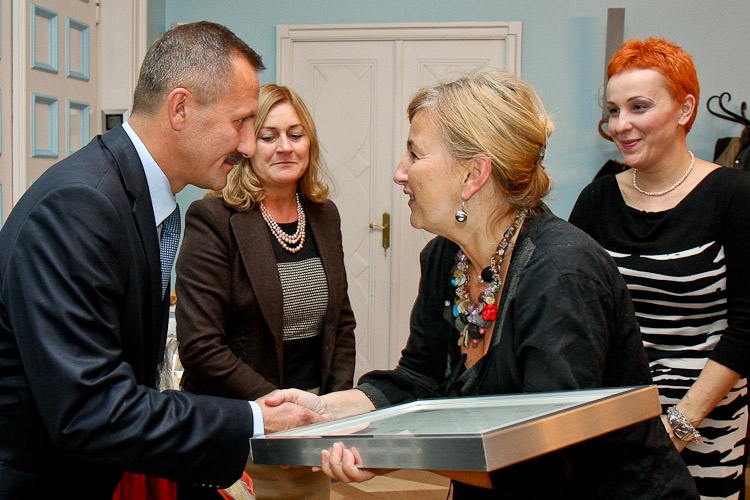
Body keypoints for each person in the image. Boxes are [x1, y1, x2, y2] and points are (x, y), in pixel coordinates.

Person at [264, 68, 699, 499]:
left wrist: (388, 453)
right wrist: (324, 411)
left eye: (415, 155)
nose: (400, 172)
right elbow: (419, 379)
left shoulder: (563, 275)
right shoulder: (445, 257)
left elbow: (542, 464)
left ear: (474, 174)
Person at [0, 21, 321, 499]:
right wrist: (255, 420)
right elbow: (90, 411)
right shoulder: (80, 206)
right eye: (240, 121)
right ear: (180, 108)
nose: (248, 145)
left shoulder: (127, 194)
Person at [569, 37, 750, 499]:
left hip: (706, 420)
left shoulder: (733, 195)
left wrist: (680, 424)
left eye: (639, 107)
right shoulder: (598, 199)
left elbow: (748, 325)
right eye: (613, 111)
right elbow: (575, 313)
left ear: (685, 109)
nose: (620, 125)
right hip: (617, 421)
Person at [175, 83, 356, 499]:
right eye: (268, 136)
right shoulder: (213, 219)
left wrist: (331, 409)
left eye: (296, 134)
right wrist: (278, 409)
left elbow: (341, 324)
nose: (285, 147)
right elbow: (201, 346)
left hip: (312, 428)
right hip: (242, 427)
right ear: (246, 147)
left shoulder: (324, 216)